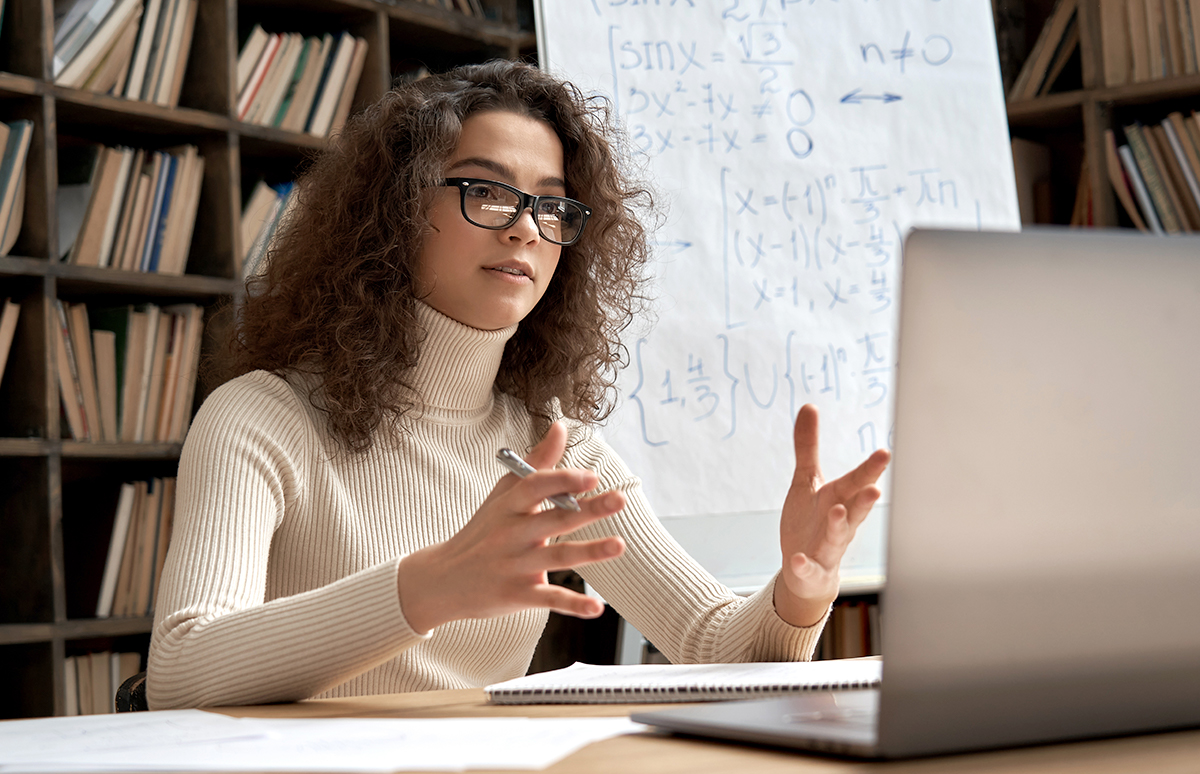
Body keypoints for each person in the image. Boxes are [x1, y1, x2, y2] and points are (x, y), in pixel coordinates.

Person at [147, 60, 890, 709]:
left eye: (552, 204)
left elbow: (714, 648)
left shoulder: (557, 450)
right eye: (488, 191)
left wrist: (801, 589)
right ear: (397, 210)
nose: (526, 229)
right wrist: (426, 588)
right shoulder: (259, 417)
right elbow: (181, 669)